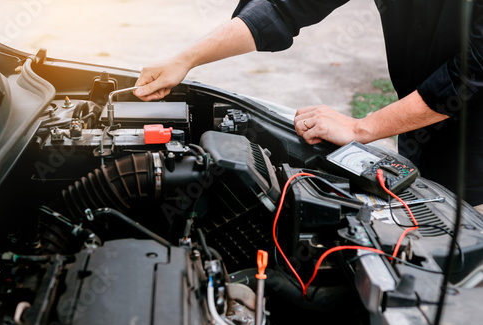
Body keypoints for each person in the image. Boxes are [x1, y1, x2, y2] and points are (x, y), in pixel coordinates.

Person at [134, 0, 483, 212]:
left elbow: (472, 72)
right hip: (417, 133)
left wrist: (362, 128)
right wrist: (187, 59)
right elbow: (282, 8)